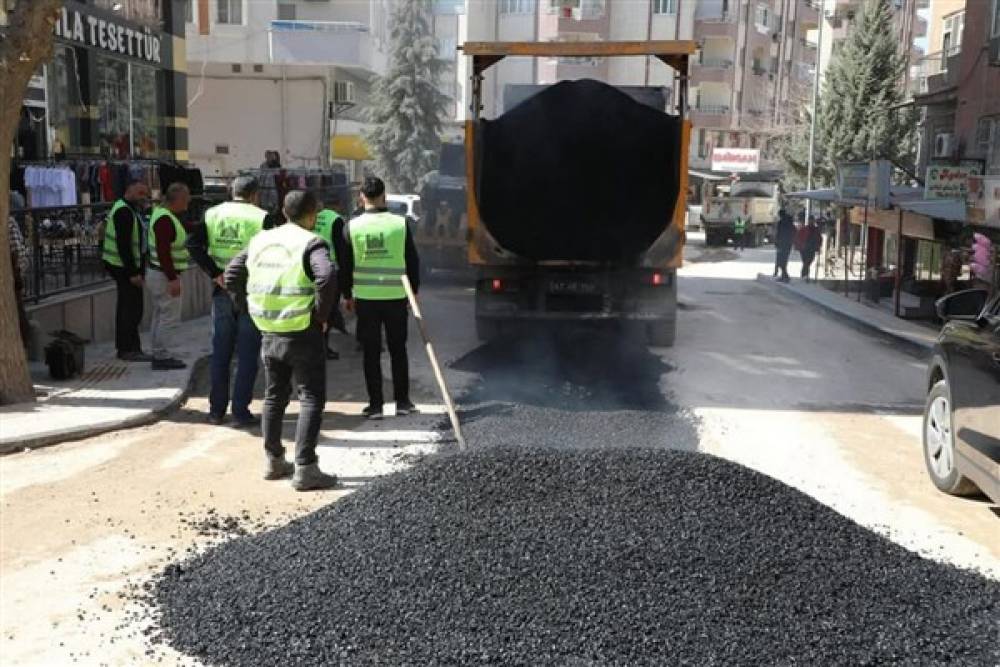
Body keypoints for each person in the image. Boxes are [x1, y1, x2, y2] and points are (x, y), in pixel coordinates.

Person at [225, 190, 339, 491]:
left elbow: (232, 272)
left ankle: (274, 460)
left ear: (283, 212)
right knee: (311, 397)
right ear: (312, 214)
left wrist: (246, 307)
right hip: (302, 330)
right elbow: (326, 277)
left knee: (274, 395)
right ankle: (305, 468)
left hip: (269, 328)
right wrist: (321, 316)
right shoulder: (311, 242)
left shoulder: (262, 239)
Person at [187, 176, 267, 427]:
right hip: (249, 292)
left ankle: (216, 411)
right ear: (254, 195)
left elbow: (192, 244)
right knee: (247, 354)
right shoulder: (262, 217)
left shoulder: (212, 214)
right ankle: (240, 412)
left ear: (232, 192)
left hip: (221, 291)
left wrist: (215, 273)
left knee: (220, 352)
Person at [341, 176, 420, 420]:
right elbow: (412, 260)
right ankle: (403, 402)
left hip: (365, 299)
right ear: (383, 195)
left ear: (362, 197)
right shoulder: (400, 224)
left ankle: (375, 405)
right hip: (396, 296)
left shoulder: (351, 226)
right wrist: (413, 292)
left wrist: (347, 295)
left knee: (371, 352)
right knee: (398, 350)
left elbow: (345, 265)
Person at [101, 181, 151, 361]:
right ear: (129, 191)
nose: (144, 197)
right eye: (140, 193)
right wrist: (133, 273)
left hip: (123, 266)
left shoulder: (130, 209)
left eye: (146, 194)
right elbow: (124, 246)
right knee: (130, 309)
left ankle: (132, 347)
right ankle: (127, 349)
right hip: (123, 268)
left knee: (131, 308)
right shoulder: (124, 211)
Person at [146, 183, 192, 371]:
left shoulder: (163, 215)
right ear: (179, 199)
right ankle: (161, 356)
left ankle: (158, 352)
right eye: (186, 199)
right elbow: (164, 251)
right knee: (168, 318)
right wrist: (173, 279)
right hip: (164, 276)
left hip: (158, 273)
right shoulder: (164, 219)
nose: (188, 202)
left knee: (160, 315)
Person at [313, 196, 349, 360]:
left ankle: (316, 347)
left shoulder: (311, 216)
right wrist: (346, 285)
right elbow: (342, 252)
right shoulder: (336, 220)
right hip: (330, 271)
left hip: (311, 270)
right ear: (337, 205)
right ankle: (322, 348)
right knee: (327, 311)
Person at [8, 193, 30, 347]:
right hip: (13, 279)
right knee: (18, 315)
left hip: (13, 276)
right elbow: (19, 254)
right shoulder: (9, 223)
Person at [798, 218, 823, 282]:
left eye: (812, 221)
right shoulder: (804, 229)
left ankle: (804, 275)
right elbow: (799, 237)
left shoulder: (816, 230)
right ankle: (805, 275)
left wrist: (818, 247)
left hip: (812, 248)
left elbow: (819, 239)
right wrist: (800, 245)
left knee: (808, 262)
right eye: (810, 221)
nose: (811, 222)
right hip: (804, 248)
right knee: (806, 262)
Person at [774, 206, 794, 283]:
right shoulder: (790, 222)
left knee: (781, 261)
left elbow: (779, 234)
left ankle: (785, 276)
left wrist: (777, 243)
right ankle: (784, 276)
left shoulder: (781, 223)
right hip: (788, 244)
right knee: (784, 261)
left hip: (782, 244)